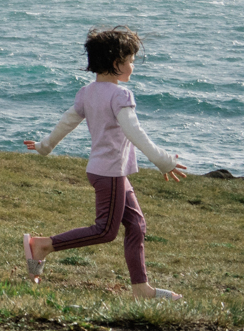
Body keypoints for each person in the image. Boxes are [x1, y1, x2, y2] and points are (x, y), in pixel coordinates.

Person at [21, 26, 188, 299]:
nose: (133, 66)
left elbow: (67, 121)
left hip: (109, 172)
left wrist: (45, 146)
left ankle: (141, 289)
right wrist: (162, 160)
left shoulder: (87, 92)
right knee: (105, 231)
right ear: (116, 63)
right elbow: (135, 132)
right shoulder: (119, 96)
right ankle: (42, 245)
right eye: (131, 60)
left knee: (136, 226)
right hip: (109, 174)